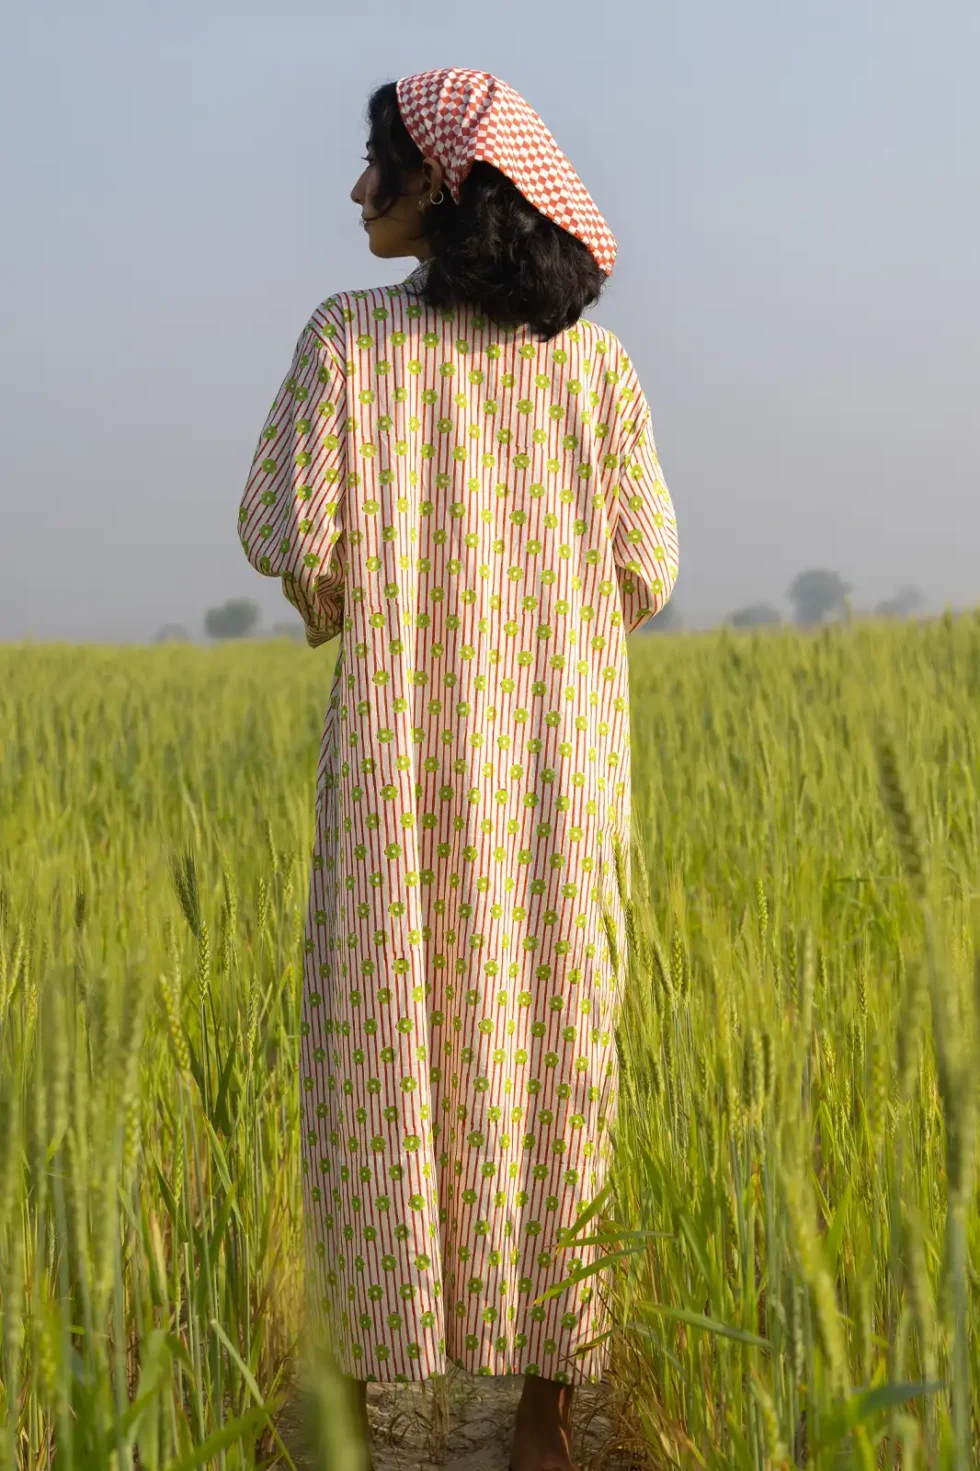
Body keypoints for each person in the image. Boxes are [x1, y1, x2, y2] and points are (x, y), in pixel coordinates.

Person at [238, 67, 678, 1471]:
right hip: (560, 765)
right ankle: (546, 1420)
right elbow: (649, 568)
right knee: (564, 1054)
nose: (361, 191)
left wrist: (363, 602)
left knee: (380, 1048)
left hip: (399, 762)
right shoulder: (597, 370)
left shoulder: (346, 344)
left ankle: (361, 1419)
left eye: (383, 166)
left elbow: (291, 534)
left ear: (447, 189)